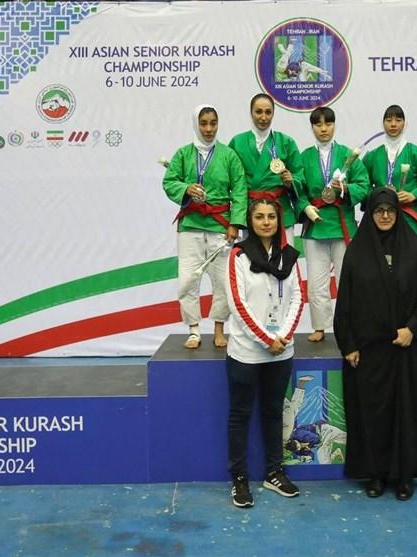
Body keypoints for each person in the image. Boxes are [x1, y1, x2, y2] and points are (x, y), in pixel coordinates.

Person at [333, 187, 417, 501]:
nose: (384, 215)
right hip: (370, 353)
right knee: (372, 416)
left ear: (398, 213)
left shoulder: (415, 248)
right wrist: (348, 344)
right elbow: (345, 302)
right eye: (378, 210)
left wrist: (413, 329)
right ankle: (376, 475)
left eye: (390, 210)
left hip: (405, 349)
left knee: (407, 415)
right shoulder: (356, 251)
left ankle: (404, 477)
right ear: (370, 214)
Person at [225, 198, 305, 508]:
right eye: (259, 217)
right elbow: (238, 304)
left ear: (278, 220)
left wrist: (282, 336)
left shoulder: (290, 256)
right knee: (240, 414)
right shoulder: (238, 256)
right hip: (246, 352)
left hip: (281, 351)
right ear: (251, 221)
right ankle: (239, 478)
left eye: (271, 216)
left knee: (274, 412)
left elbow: (297, 298)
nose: (266, 222)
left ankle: (274, 472)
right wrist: (265, 339)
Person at [162, 105, 247, 349]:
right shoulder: (182, 154)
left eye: (213, 123)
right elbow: (169, 181)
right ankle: (194, 330)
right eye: (203, 123)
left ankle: (219, 328)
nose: (209, 129)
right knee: (188, 280)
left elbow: (239, 189)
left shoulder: (228, 155)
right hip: (191, 225)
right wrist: (186, 188)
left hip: (220, 225)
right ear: (196, 124)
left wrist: (235, 223)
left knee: (222, 281)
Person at [296, 106, 369, 342]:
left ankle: (351, 325)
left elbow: (364, 185)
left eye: (328, 123)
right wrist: (306, 207)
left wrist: (345, 188)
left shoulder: (348, 155)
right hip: (316, 227)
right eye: (318, 124)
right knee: (316, 282)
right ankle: (319, 327)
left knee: (348, 280)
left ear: (335, 125)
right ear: (312, 127)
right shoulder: (304, 157)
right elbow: (297, 190)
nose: (324, 129)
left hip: (342, 224)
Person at [229, 93, 305, 244]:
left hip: (280, 211)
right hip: (251, 212)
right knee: (253, 258)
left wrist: (291, 182)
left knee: (284, 257)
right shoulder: (237, 142)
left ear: (273, 114)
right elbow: (230, 180)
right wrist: (235, 219)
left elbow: (300, 175)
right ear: (251, 113)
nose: (263, 117)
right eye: (258, 112)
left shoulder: (286, 142)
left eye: (268, 112)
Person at [363, 104, 417, 237]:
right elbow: (362, 184)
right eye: (388, 120)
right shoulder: (372, 156)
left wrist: (413, 195)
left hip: (409, 218)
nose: (393, 124)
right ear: (382, 124)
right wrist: (377, 198)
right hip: (381, 219)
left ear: (405, 124)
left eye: (398, 120)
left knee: (410, 250)